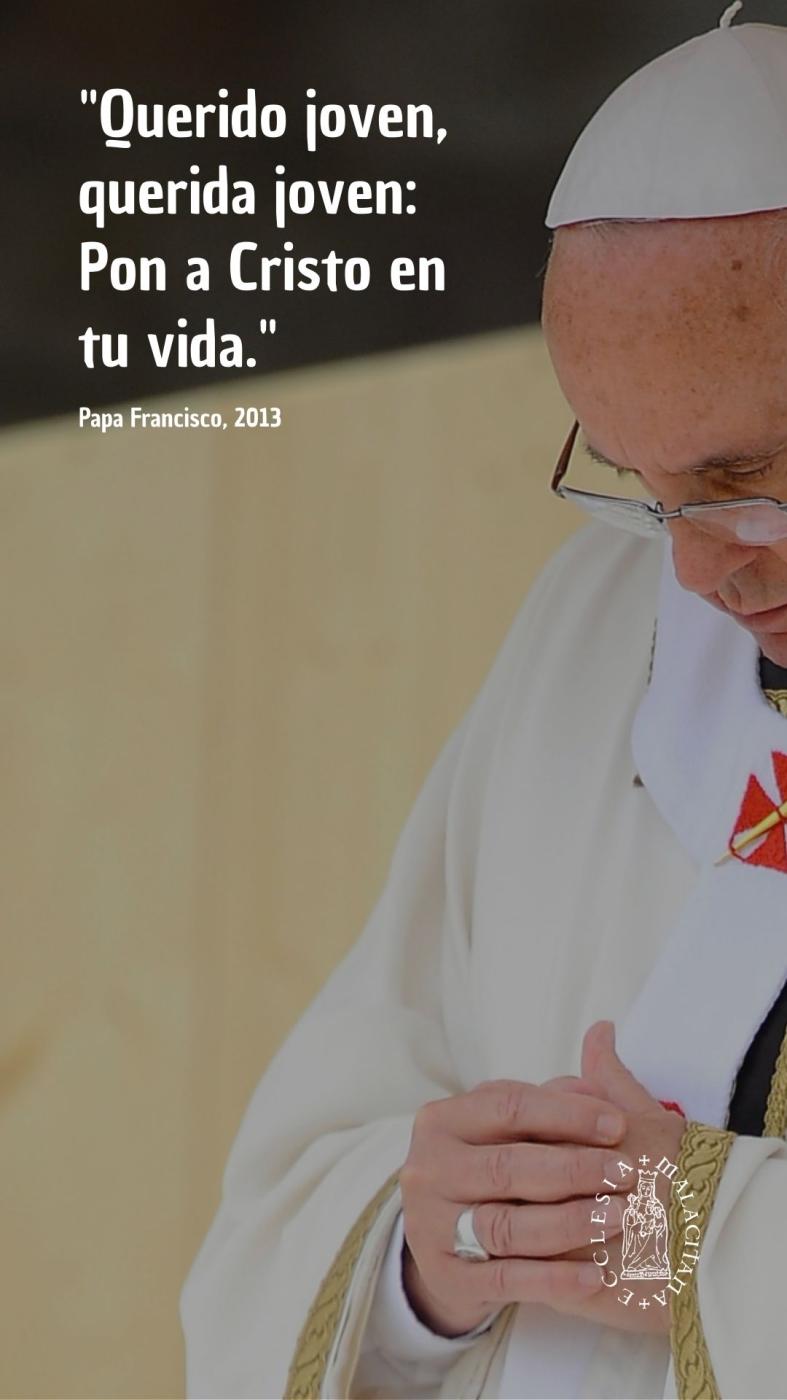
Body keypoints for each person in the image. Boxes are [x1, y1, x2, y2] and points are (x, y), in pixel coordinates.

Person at [180, 10, 787, 1397]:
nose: (695, 570)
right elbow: (306, 1179)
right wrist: (431, 1256)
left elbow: (674, 1241)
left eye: (742, 481)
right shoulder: (596, 624)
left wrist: (705, 1249)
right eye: (637, 485)